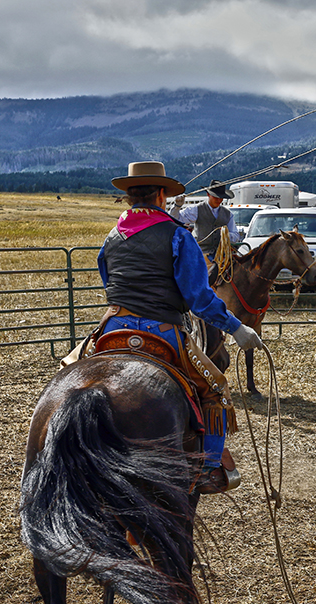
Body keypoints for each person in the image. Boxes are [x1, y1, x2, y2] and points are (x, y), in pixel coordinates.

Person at [98, 161, 263, 493]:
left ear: (129, 197)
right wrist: (236, 328)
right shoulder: (176, 235)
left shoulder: (112, 237)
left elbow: (107, 280)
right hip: (161, 330)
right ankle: (208, 469)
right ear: (161, 194)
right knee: (215, 389)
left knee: (72, 369)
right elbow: (199, 298)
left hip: (112, 326)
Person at [169, 179, 239, 263]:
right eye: (215, 197)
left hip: (221, 255)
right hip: (200, 254)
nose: (218, 200)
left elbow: (236, 236)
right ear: (208, 195)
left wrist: (226, 235)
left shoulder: (228, 214)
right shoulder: (196, 209)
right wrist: (177, 206)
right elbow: (175, 218)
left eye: (221, 198)